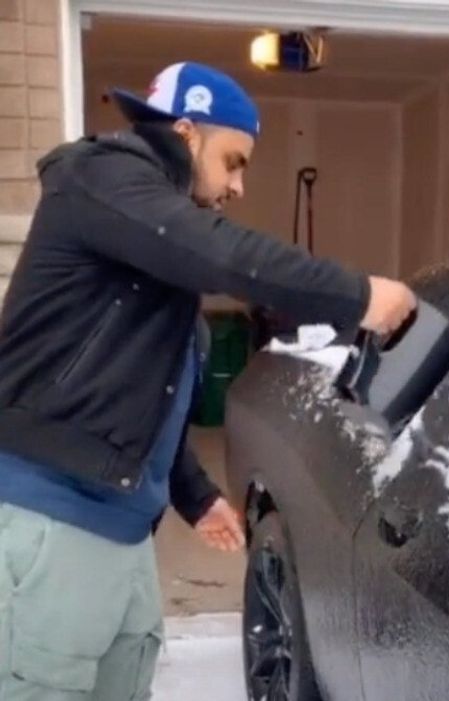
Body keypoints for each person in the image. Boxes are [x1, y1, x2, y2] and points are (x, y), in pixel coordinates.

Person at [0, 61, 415, 699]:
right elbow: (223, 251)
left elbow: (146, 390)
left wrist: (192, 494)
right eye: (235, 161)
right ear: (187, 133)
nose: (239, 184)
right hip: (55, 521)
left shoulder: (151, 239)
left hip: (122, 530)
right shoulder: (100, 177)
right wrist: (355, 294)